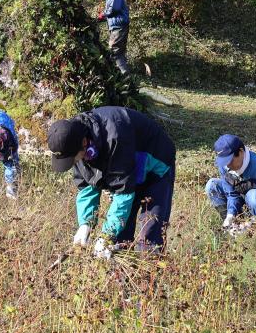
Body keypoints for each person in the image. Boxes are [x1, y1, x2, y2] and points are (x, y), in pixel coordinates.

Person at [48, 105, 175, 258]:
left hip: (156, 168)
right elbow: (87, 186)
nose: (74, 162)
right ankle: (121, 278)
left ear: (83, 143)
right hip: (128, 172)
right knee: (120, 240)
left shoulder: (114, 137)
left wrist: (106, 236)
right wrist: (85, 224)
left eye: (73, 158)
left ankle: (149, 277)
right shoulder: (73, 144)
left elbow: (123, 193)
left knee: (149, 237)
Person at [205, 134, 256, 231]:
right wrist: (230, 216)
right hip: (244, 200)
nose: (227, 166)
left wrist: (250, 225)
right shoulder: (225, 165)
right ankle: (232, 227)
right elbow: (232, 195)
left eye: (229, 161)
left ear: (241, 152)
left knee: (252, 196)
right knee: (212, 185)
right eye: (224, 161)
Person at [96, 0, 130, 74]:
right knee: (119, 53)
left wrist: (103, 15)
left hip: (118, 27)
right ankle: (124, 79)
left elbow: (113, 9)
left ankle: (124, 76)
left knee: (113, 50)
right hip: (117, 27)